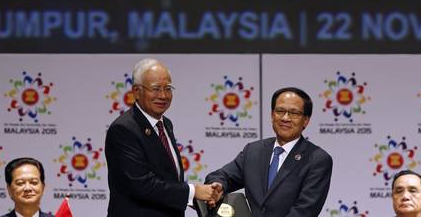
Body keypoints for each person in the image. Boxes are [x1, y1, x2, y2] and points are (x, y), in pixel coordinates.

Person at [105, 58, 219, 217]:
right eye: (156, 88)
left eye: (168, 88)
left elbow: (168, 179)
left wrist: (195, 199)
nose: (163, 95)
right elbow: (143, 185)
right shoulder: (123, 129)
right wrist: (192, 192)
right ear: (136, 91)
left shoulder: (165, 124)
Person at [205, 87, 333, 216]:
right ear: (272, 115)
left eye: (294, 113)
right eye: (280, 111)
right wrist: (218, 186)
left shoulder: (317, 159)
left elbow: (305, 211)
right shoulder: (254, 151)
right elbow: (221, 176)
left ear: (306, 120)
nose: (285, 118)